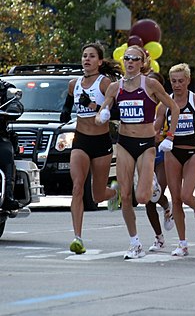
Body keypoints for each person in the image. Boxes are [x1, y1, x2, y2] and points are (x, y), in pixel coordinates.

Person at [95, 45, 180, 260]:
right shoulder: (115, 87)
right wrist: (102, 115)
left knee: (142, 197)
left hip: (145, 145)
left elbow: (174, 107)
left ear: (142, 63)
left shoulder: (150, 84)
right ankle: (135, 243)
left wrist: (170, 136)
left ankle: (151, 184)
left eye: (135, 59)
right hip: (124, 143)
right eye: (127, 58)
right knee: (125, 197)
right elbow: (102, 110)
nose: (130, 62)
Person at [60, 42, 122, 255]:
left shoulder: (105, 84)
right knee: (77, 187)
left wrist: (94, 107)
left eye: (92, 56)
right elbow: (68, 106)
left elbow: (117, 114)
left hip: (101, 142)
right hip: (80, 142)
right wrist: (65, 111)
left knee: (97, 196)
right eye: (84, 55)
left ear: (100, 61)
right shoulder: (73, 84)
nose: (87, 59)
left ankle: (115, 192)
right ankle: (77, 237)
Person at [155, 63, 195, 256]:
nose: (177, 85)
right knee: (176, 199)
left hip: (193, 153)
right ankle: (182, 244)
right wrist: (156, 135)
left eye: (181, 81)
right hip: (172, 153)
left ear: (188, 81)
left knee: (185, 196)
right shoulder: (165, 104)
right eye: (174, 81)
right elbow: (156, 127)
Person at [145, 72, 175, 252]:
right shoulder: (139, 101)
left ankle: (165, 205)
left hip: (162, 153)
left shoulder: (164, 105)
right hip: (143, 152)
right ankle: (159, 238)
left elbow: (158, 123)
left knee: (156, 192)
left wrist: (156, 134)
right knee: (148, 200)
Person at [0, 79, 24, 210]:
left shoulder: (4, 88)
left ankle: (8, 196)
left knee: (6, 153)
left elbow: (15, 103)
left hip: (0, 135)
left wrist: (12, 108)